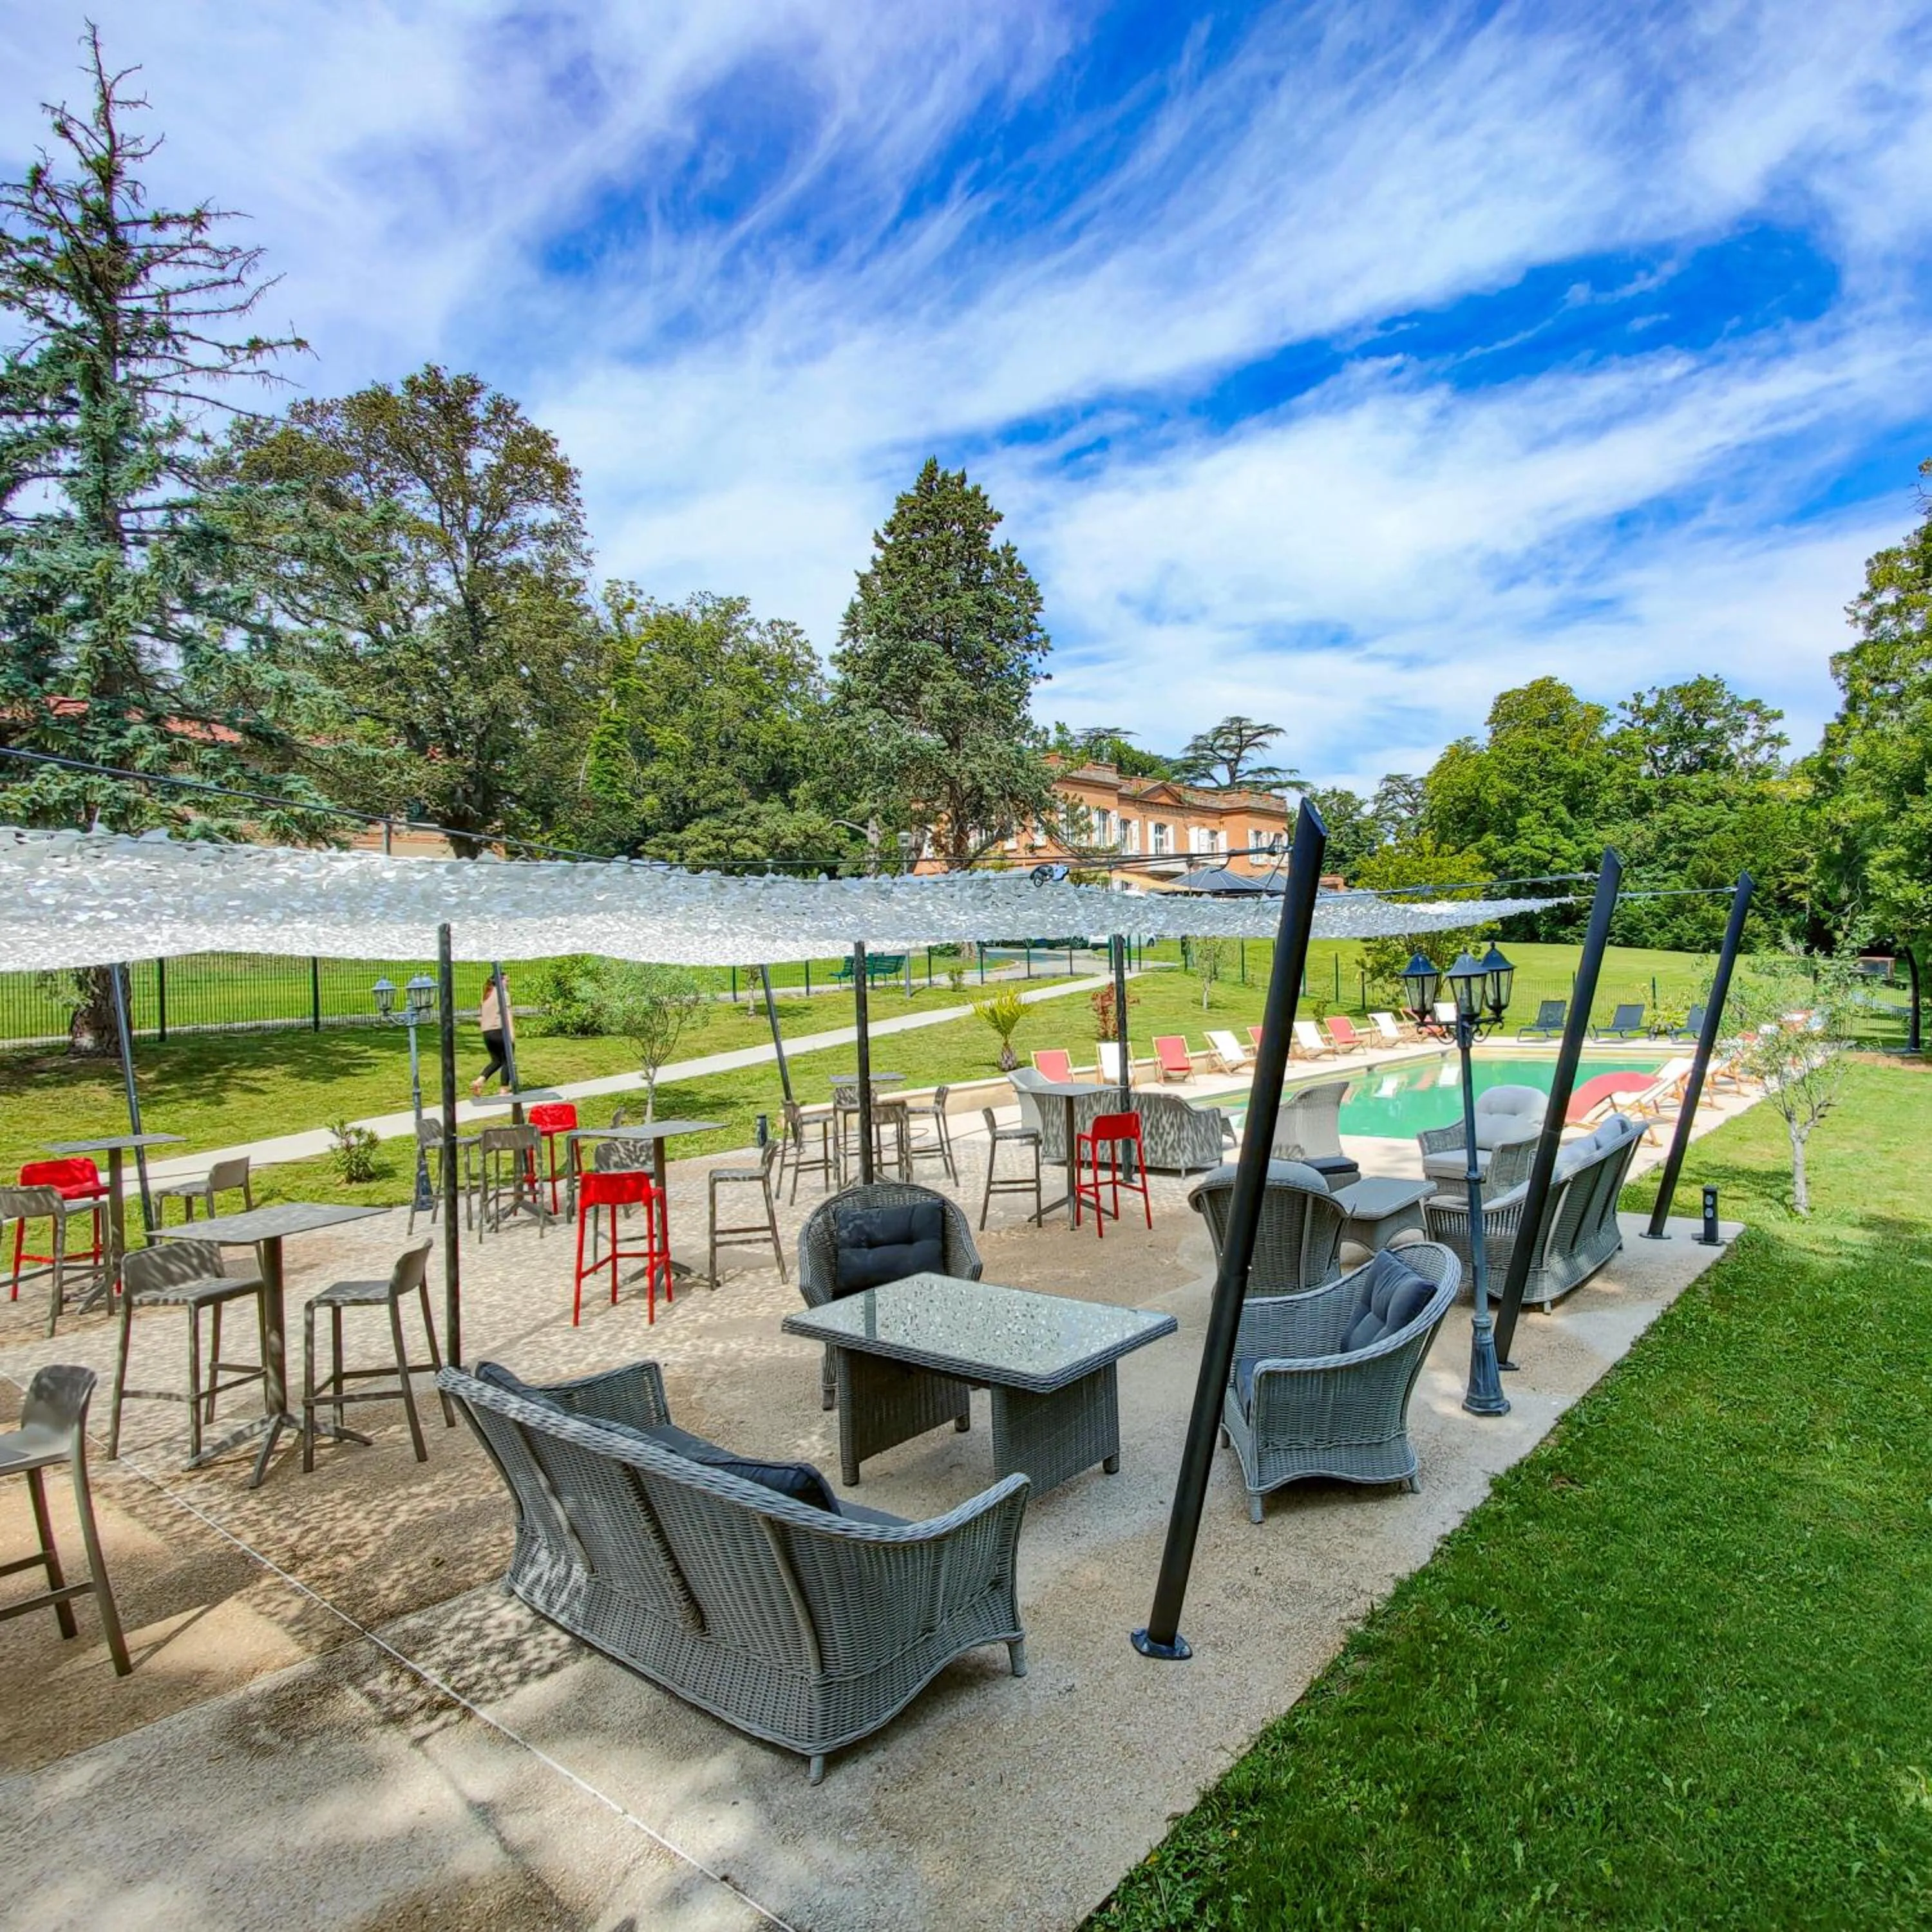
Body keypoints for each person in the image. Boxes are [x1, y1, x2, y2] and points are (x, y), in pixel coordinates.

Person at [473, 972, 515, 1097]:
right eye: (507, 980)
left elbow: (480, 1017)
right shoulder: (503, 995)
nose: (508, 983)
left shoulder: (487, 995)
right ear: (500, 981)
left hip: (487, 1032)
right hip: (499, 1030)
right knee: (508, 1059)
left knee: (497, 1061)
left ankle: (480, 1081)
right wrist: (511, 1033)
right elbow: (508, 1014)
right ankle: (504, 1089)